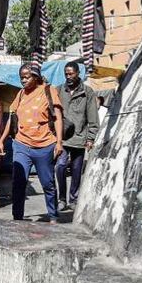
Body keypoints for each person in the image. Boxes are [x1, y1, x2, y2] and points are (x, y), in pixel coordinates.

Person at [0, 63, 64, 223]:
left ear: (35, 76)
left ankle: (53, 216)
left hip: (45, 145)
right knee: (18, 182)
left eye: (27, 77)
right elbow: (13, 118)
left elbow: (58, 118)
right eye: (21, 78)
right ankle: (17, 217)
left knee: (47, 183)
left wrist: (59, 142)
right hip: (21, 145)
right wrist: (1, 139)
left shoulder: (49, 91)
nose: (23, 80)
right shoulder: (20, 94)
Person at [55, 61, 99, 210]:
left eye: (71, 74)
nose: (68, 77)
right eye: (66, 74)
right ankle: (62, 198)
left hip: (80, 137)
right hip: (62, 138)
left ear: (77, 73)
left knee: (76, 170)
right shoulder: (59, 90)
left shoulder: (87, 92)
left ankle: (73, 199)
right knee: (60, 166)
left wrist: (91, 137)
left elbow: (92, 116)